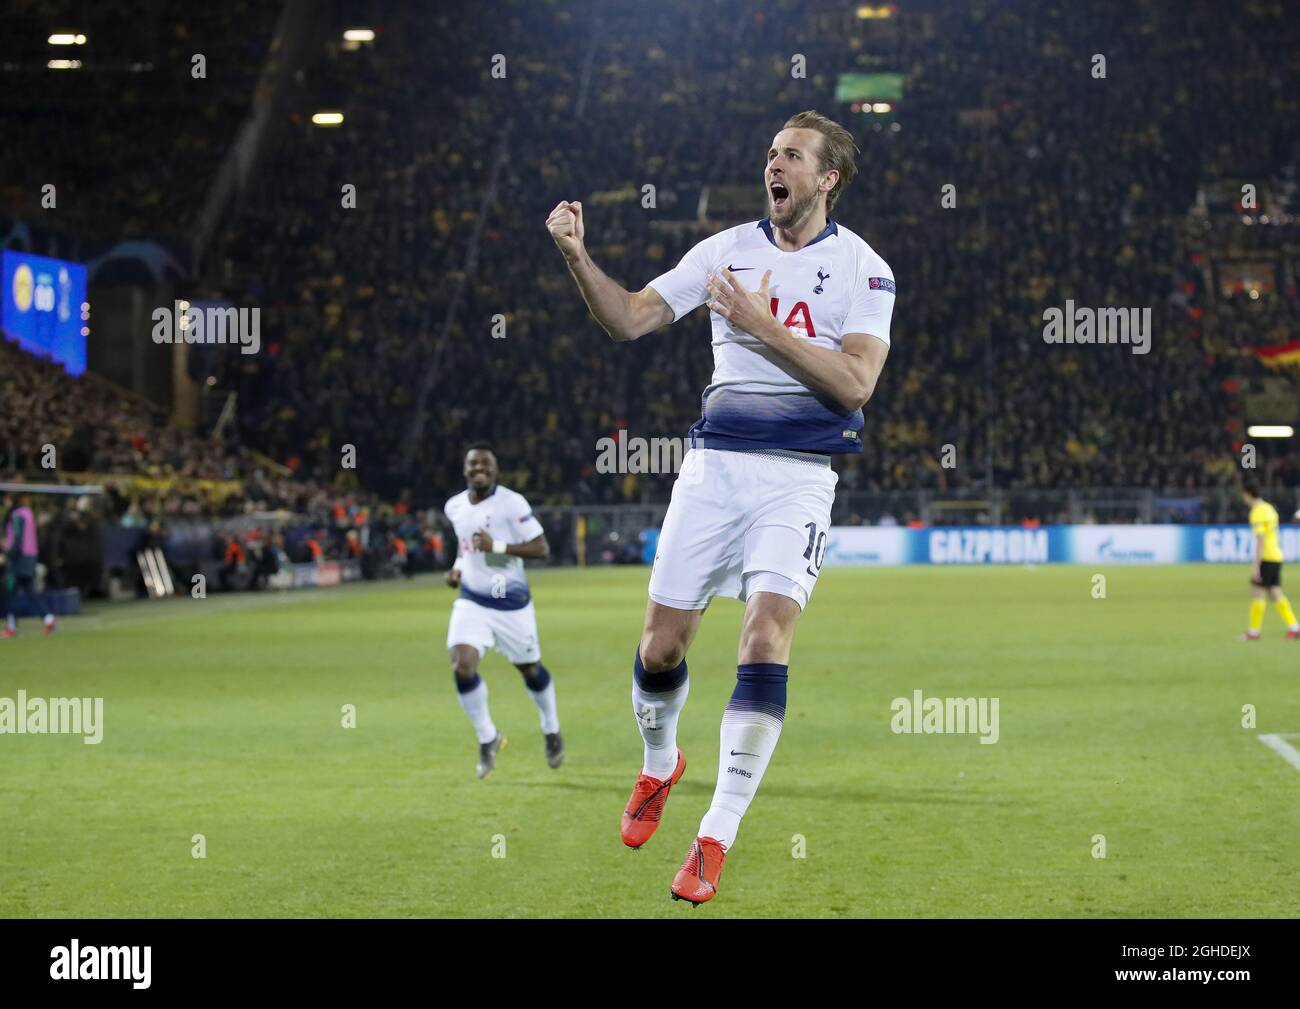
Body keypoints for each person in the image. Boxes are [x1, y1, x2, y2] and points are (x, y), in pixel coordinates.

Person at [547, 110, 894, 904]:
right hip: (712, 472)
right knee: (660, 648)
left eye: (792, 155)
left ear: (827, 177)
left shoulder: (867, 271)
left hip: (800, 475)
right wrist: (577, 257)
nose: (773, 164)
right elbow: (630, 318)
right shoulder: (722, 252)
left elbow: (854, 385)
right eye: (770, 153)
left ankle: (714, 836)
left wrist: (759, 325)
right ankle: (661, 761)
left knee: (765, 637)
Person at [444, 443, 563, 778]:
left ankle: (551, 729)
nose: (479, 468)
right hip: (472, 600)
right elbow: (465, 545)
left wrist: (496, 546)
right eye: (473, 464)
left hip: (511, 605)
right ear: (465, 469)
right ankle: (488, 738)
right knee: (462, 665)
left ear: (495, 470)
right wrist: (457, 568)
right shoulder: (454, 506)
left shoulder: (511, 503)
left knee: (530, 669)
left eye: (485, 464)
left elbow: (542, 548)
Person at [1239, 482, 1299, 641]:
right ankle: (1294, 627)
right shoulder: (1269, 509)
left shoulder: (1257, 512)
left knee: (1258, 593)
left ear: (1248, 494)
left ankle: (1253, 632)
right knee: (1275, 592)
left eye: (1244, 494)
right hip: (1277, 556)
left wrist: (1256, 566)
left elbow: (1260, 540)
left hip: (1266, 557)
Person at [2, 493, 56, 638]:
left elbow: (17, 539)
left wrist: (7, 555)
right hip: (30, 557)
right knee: (30, 591)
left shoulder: (17, 515)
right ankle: (48, 618)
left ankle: (11, 627)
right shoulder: (29, 514)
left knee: (11, 593)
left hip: (18, 560)